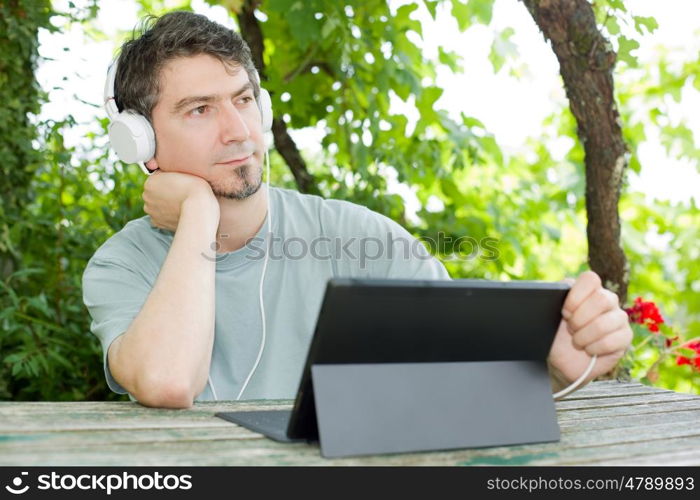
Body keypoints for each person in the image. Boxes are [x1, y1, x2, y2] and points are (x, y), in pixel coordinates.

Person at [82, 11, 632, 409]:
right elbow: (168, 382)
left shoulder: (363, 238)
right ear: (142, 142)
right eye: (200, 110)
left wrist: (556, 364)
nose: (238, 131)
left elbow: (472, 385)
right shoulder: (120, 264)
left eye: (244, 99)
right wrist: (197, 215)